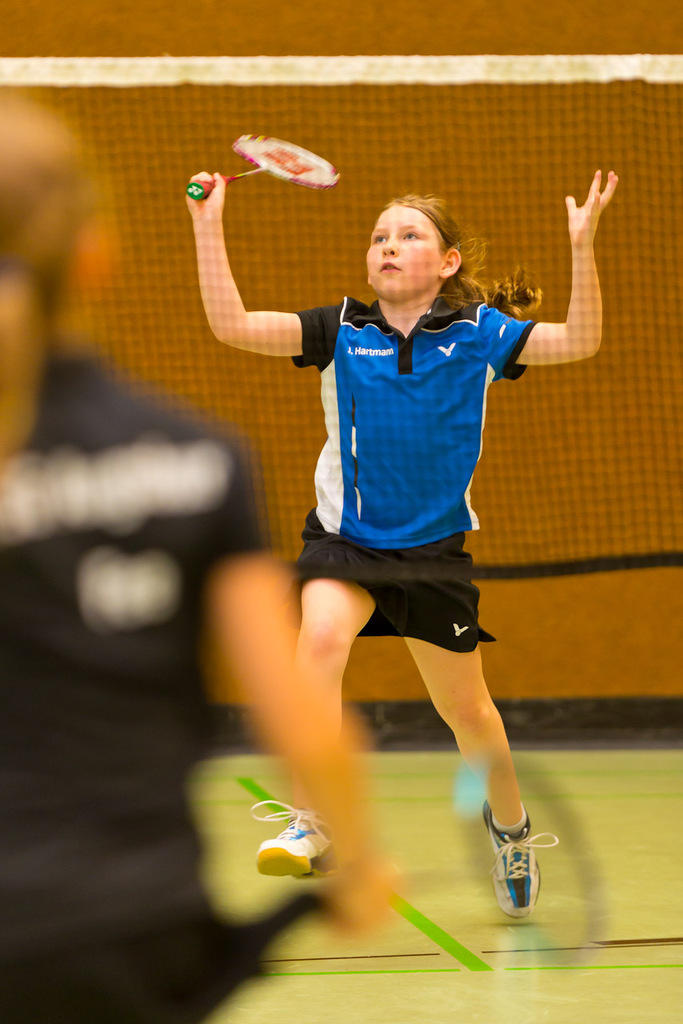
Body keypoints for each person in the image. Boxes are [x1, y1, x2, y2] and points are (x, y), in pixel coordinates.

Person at [0, 96, 394, 1024]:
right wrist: (356, 865)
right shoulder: (197, 458)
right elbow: (301, 718)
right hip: (136, 926)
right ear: (96, 257)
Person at [187, 162, 618, 919]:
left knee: (468, 714)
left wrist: (582, 247)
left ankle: (511, 831)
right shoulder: (341, 330)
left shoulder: (480, 335)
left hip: (430, 554)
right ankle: (312, 819)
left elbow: (580, 340)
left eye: (409, 235)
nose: (388, 244)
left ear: (447, 262)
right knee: (319, 642)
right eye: (379, 236)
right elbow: (233, 325)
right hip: (344, 539)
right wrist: (207, 223)